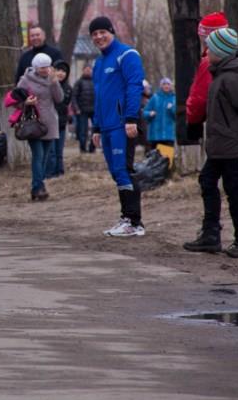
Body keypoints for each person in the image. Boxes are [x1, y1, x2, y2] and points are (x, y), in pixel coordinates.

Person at [187, 29, 238, 257]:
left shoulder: (231, 78)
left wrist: (233, 128)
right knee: (208, 181)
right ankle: (212, 235)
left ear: (221, 51)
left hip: (236, 145)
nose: (206, 51)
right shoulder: (220, 74)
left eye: (210, 48)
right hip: (221, 146)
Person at [89, 16, 146, 237]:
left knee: (123, 170)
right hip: (107, 126)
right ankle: (126, 218)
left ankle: (134, 222)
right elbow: (99, 96)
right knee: (116, 172)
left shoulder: (127, 54)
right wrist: (96, 127)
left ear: (112, 32)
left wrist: (131, 118)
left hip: (123, 124)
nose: (98, 37)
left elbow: (134, 86)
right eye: (94, 34)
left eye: (102, 32)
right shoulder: (99, 62)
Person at [5, 53, 63, 201]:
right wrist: (26, 103)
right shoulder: (25, 80)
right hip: (33, 124)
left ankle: (36, 187)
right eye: (43, 67)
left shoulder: (51, 79)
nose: (46, 70)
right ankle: (39, 187)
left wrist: (55, 82)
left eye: (48, 67)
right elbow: (15, 99)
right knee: (38, 156)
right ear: (36, 67)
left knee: (45, 158)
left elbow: (59, 99)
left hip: (50, 122)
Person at [48, 59, 72, 177]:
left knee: (59, 151)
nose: (61, 73)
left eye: (64, 71)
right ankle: (51, 173)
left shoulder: (68, 88)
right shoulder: (48, 85)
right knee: (51, 151)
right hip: (50, 124)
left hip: (62, 123)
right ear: (53, 71)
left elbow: (66, 103)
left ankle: (60, 172)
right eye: (58, 70)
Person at [143, 77, 176, 148]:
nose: (166, 86)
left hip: (168, 136)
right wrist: (149, 113)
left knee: (167, 158)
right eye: (164, 84)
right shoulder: (155, 98)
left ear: (171, 86)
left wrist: (172, 108)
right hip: (155, 136)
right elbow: (144, 113)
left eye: (168, 84)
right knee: (155, 158)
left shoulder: (174, 99)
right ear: (161, 86)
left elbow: (177, 116)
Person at [72, 64, 95, 153]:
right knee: (83, 131)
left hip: (94, 110)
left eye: (90, 70)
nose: (88, 71)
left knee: (95, 130)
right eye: (86, 69)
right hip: (82, 110)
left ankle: (92, 148)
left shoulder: (96, 81)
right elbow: (74, 96)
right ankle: (82, 148)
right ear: (83, 70)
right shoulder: (79, 82)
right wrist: (76, 108)